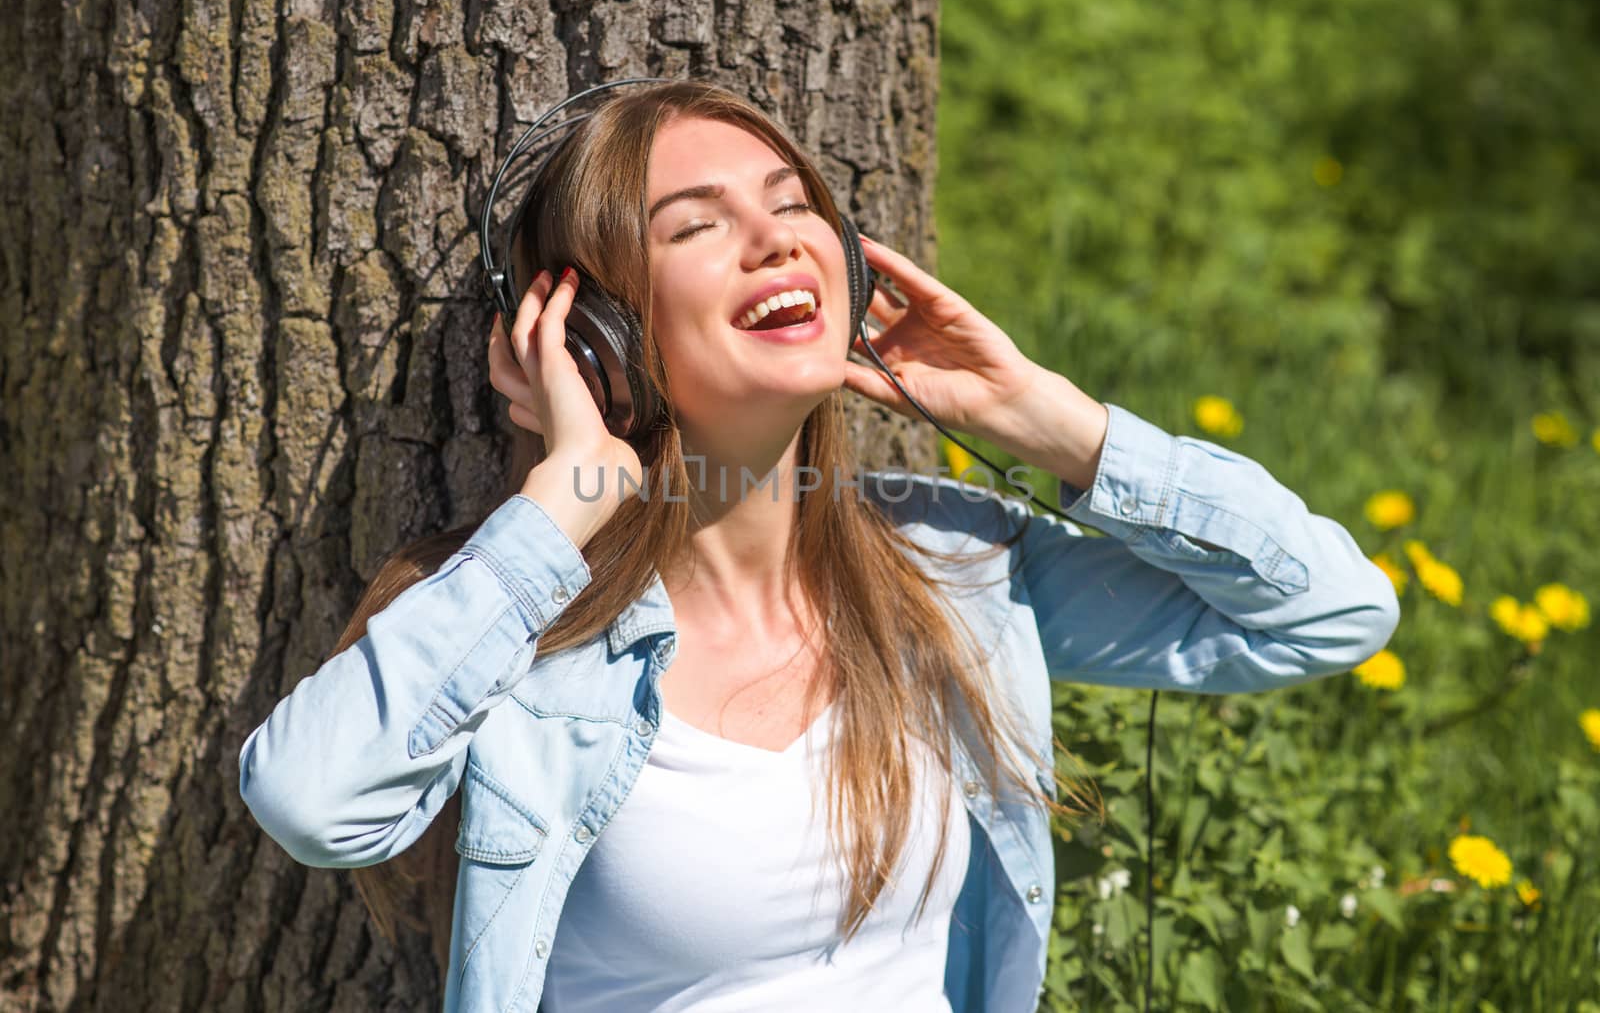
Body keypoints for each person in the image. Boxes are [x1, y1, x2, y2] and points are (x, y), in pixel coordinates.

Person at [237, 80, 1400, 1013]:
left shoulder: (950, 569)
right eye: (696, 225)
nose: (774, 242)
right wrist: (570, 495)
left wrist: (1044, 420)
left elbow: (1332, 609)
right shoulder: (516, 622)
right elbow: (309, 801)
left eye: (794, 206)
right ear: (598, 333)